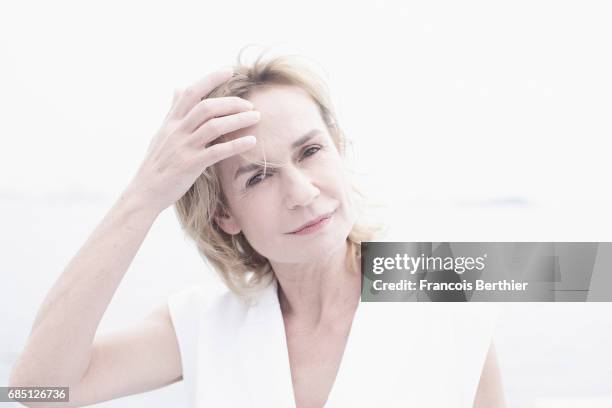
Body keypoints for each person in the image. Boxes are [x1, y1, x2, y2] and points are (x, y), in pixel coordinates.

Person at [9, 51, 506, 407]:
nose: (303, 193)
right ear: (225, 215)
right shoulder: (204, 324)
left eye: (310, 152)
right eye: (259, 176)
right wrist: (144, 195)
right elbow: (36, 392)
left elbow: (576, 274)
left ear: (339, 148)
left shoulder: (445, 283)